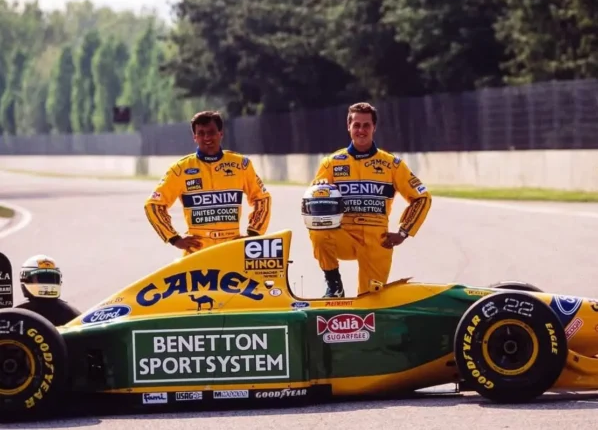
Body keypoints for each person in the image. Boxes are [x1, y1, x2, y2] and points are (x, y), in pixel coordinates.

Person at [303, 102, 432, 298]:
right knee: (318, 232)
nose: (361, 130)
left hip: (377, 241)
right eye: (356, 125)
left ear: (374, 127)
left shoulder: (392, 164)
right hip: (344, 235)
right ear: (348, 127)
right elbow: (313, 205)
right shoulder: (331, 163)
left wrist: (404, 232)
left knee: (371, 301)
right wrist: (320, 189)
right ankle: (334, 284)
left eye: (366, 125)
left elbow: (422, 197)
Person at [144, 110, 272, 255]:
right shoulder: (180, 169)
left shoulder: (241, 165)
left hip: (232, 250)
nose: (207, 137)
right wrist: (174, 238)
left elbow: (262, 198)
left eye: (211, 132)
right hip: (197, 252)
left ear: (220, 133)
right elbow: (153, 205)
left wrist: (253, 234)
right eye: (201, 133)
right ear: (194, 137)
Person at [16, 255, 82, 326]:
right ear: (26, 279)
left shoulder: (16, 314)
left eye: (51, 278)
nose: (47, 282)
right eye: (42, 278)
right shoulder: (72, 313)